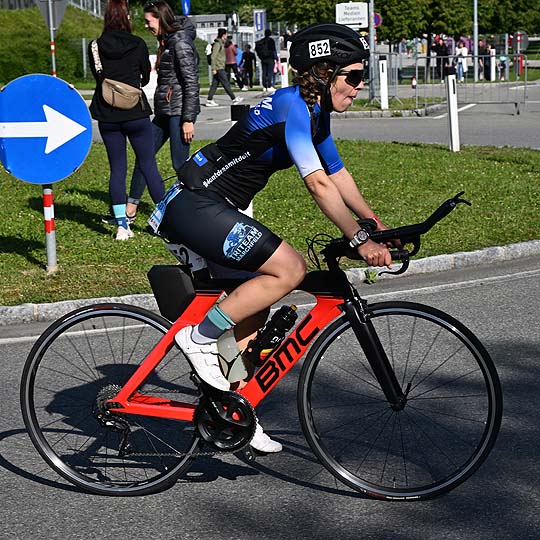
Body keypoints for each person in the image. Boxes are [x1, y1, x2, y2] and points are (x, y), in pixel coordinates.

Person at [148, 23, 393, 453]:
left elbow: (337, 173)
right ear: (324, 72)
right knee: (290, 268)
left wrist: (377, 224)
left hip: (214, 208)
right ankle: (200, 338)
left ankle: (236, 409)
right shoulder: (292, 107)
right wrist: (358, 238)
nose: (360, 86)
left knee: (255, 308)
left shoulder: (315, 113)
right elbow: (317, 183)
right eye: (354, 76)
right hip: (195, 204)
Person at [116, 0, 200, 222]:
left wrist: (188, 119)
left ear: (160, 18)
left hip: (179, 112)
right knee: (144, 155)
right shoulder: (167, 41)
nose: (146, 26)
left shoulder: (180, 42)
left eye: (148, 21)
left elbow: (191, 82)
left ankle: (190, 214)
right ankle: (130, 208)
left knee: (179, 164)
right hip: (165, 111)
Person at [89, 0, 164, 241]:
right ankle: (166, 220)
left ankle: (122, 226)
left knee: (117, 169)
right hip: (135, 112)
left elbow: (98, 76)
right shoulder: (138, 43)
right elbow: (145, 77)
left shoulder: (95, 46)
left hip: (107, 114)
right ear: (125, 18)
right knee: (148, 164)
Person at [206, 28, 244, 107]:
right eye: (226, 34)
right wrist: (214, 68)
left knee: (214, 84)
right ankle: (234, 99)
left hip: (220, 66)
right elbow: (213, 56)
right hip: (219, 67)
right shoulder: (218, 44)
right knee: (226, 83)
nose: (226, 36)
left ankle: (209, 100)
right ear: (223, 35)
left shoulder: (221, 43)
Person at [255, 29, 277, 94]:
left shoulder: (261, 41)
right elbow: (274, 50)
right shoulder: (271, 41)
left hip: (263, 59)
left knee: (264, 72)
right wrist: (276, 58)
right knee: (270, 72)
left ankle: (264, 86)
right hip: (270, 58)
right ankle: (269, 85)